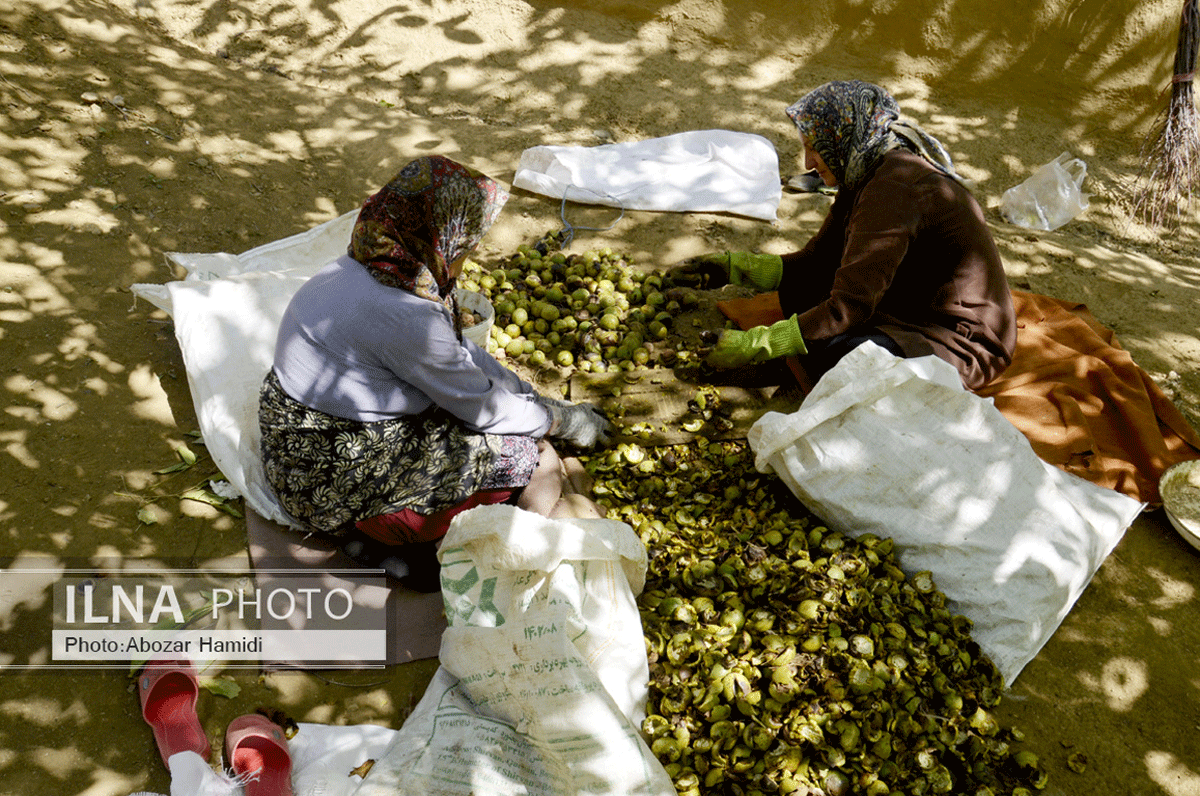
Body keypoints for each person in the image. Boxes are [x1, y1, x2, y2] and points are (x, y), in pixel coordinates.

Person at [258, 155, 612, 589]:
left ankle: (391, 541)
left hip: (294, 454)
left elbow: (460, 355)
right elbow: (481, 407)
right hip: (337, 484)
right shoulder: (406, 313)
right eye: (466, 247)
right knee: (533, 458)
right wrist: (557, 421)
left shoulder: (372, 265)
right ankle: (479, 556)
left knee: (509, 424)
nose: (467, 258)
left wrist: (532, 396)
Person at [675, 80, 1017, 392]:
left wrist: (760, 344)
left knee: (838, 354)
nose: (808, 163)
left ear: (840, 138)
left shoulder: (893, 190)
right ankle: (792, 363)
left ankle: (782, 370)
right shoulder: (864, 173)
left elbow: (847, 308)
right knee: (802, 293)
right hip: (906, 304)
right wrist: (733, 268)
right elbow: (816, 262)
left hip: (958, 340)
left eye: (814, 148)